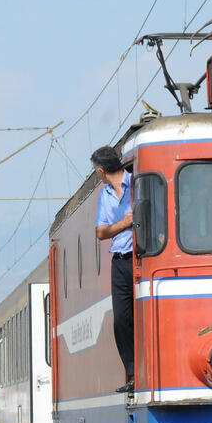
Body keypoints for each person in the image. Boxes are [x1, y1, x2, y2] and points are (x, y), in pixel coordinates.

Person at [92, 145, 135, 393]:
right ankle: (131, 373)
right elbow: (100, 232)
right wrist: (124, 223)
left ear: (101, 170)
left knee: (142, 317)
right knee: (121, 320)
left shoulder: (137, 182)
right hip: (119, 260)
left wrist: (115, 227)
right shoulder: (105, 195)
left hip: (140, 257)